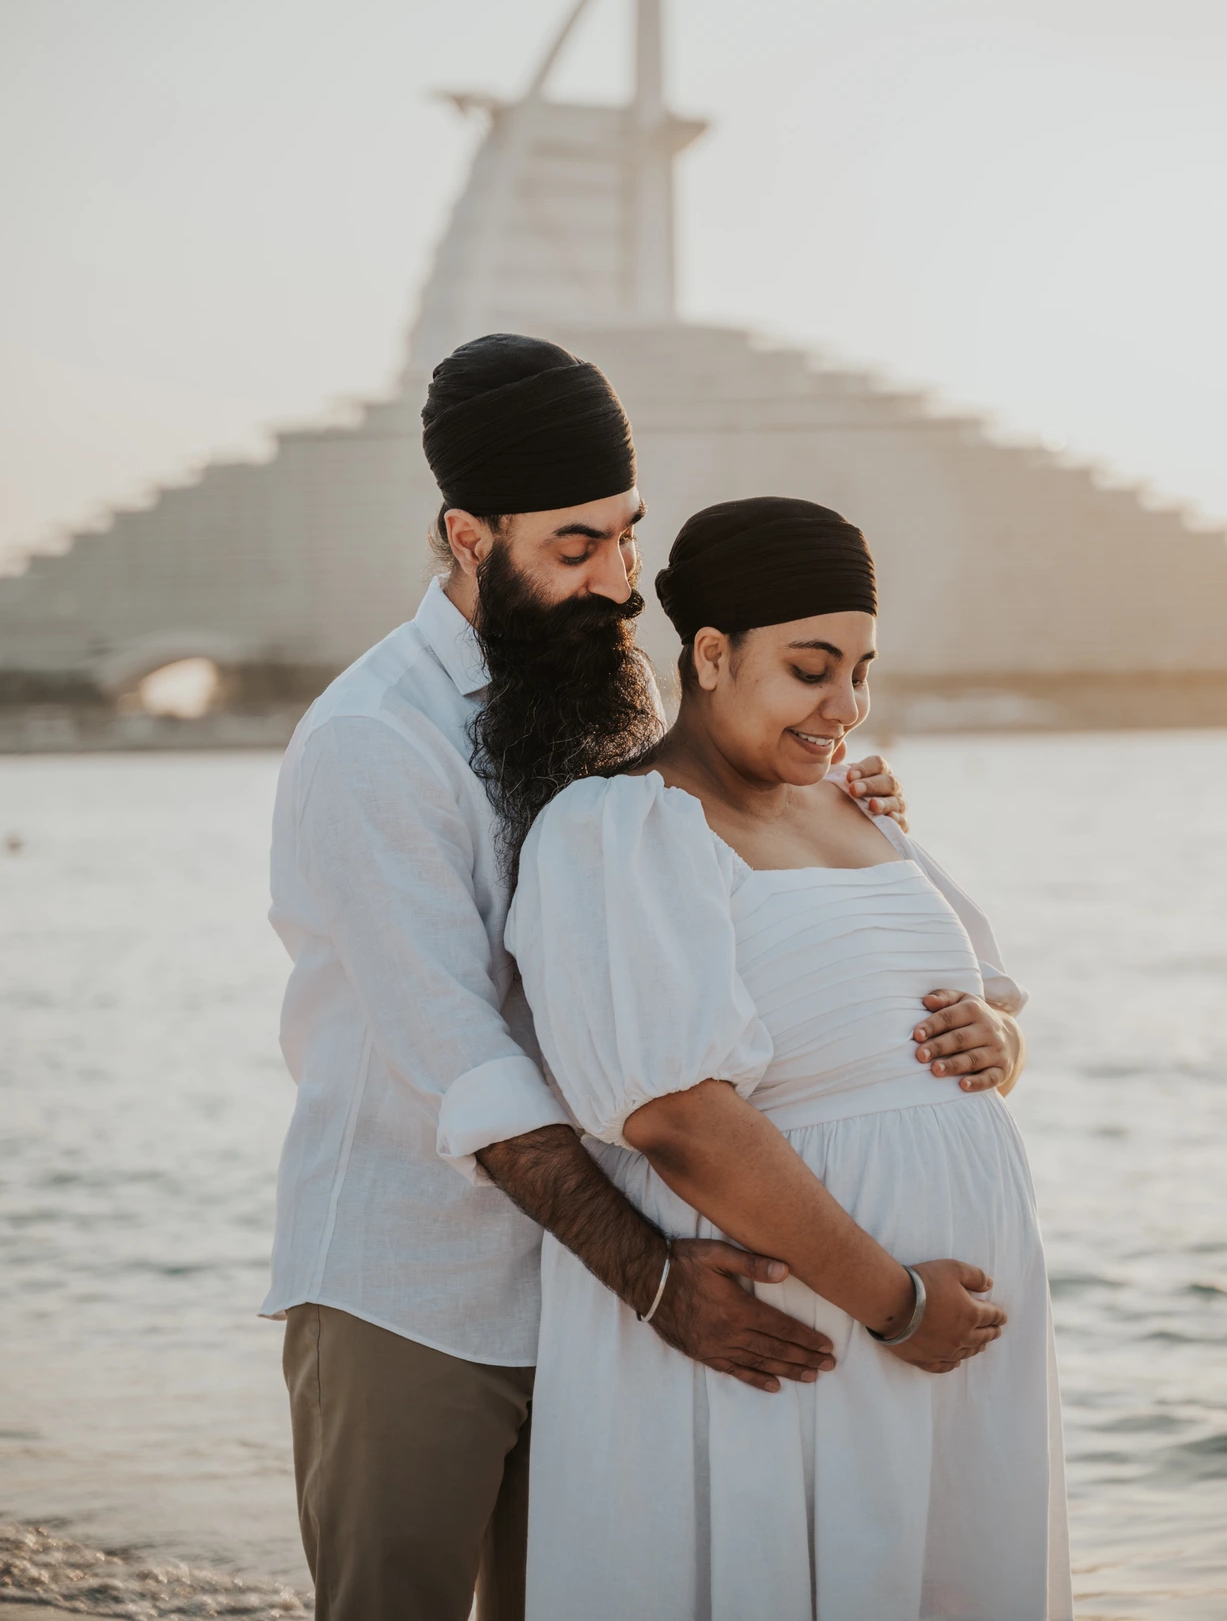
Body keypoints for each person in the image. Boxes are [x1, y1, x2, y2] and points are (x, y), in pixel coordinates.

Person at [262, 338, 1025, 1621]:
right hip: (424, 1283)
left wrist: (830, 809)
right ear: (466, 535)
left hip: (608, 1305)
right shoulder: (369, 742)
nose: (618, 583)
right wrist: (659, 1281)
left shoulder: (600, 697)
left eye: (627, 537)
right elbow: (465, 1063)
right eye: (574, 546)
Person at [507, 495, 1071, 1621]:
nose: (845, 706)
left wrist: (1000, 1041)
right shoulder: (616, 830)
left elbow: (968, 1014)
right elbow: (677, 1117)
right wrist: (896, 1304)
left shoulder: (853, 807)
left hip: (938, 1340)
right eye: (810, 669)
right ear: (710, 656)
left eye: (861, 669)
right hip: (814, 1325)